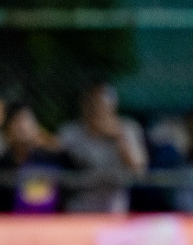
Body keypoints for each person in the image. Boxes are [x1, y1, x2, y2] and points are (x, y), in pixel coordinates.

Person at [57, 81, 147, 214]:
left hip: (114, 202)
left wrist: (118, 137)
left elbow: (139, 168)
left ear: (112, 105)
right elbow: (52, 147)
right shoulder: (72, 130)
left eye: (100, 103)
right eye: (90, 103)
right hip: (80, 202)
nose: (94, 108)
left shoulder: (128, 128)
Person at [0, 103, 67, 213]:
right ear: (7, 129)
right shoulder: (3, 164)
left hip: (51, 223)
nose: (22, 127)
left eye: (27, 120)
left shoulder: (52, 158)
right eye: (17, 121)